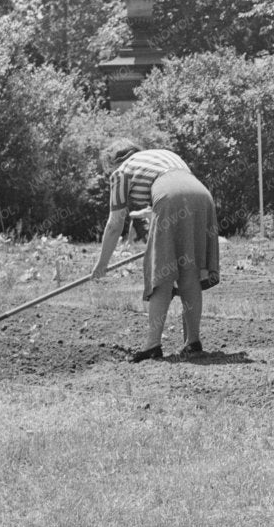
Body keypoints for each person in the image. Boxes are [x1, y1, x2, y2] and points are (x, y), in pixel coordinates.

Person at [92, 137, 219, 362]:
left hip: (171, 198)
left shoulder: (121, 173)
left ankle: (152, 345)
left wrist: (102, 263)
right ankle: (193, 342)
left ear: (113, 162)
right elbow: (172, 193)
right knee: (189, 271)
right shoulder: (163, 156)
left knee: (162, 274)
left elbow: (114, 224)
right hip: (203, 197)